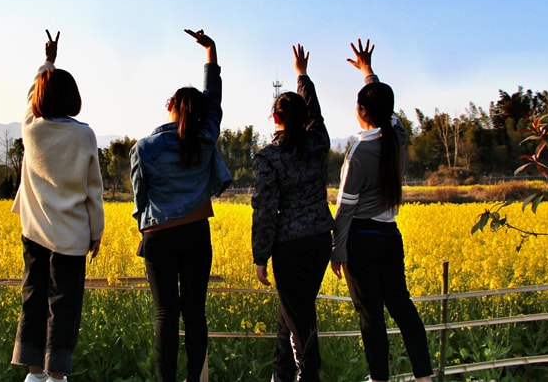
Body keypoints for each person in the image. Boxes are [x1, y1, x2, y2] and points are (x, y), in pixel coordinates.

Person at [130, 29, 232, 382]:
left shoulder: (145, 148)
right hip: (195, 233)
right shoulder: (206, 138)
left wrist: (145, 223)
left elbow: (139, 196)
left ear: (171, 106)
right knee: (195, 313)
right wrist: (210, 53)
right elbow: (213, 98)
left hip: (158, 236)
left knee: (165, 315)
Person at [330, 39, 433, 382]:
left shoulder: (359, 151)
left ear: (360, 111)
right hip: (390, 235)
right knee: (402, 307)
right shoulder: (398, 137)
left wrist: (337, 250)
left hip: (361, 239)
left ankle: (379, 379)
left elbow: (345, 209)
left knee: (371, 316)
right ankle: (423, 375)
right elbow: (386, 110)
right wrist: (367, 73)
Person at [11, 30, 105, 382]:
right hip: (71, 236)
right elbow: (92, 190)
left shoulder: (31, 129)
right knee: (63, 306)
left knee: (33, 298)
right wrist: (96, 233)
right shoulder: (84, 135)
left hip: (34, 231)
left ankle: (34, 374)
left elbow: (30, 95)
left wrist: (47, 62)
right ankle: (57, 377)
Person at [251, 44, 334, 382]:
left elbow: (265, 209)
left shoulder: (269, 157)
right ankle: (282, 374)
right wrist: (302, 75)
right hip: (319, 242)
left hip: (289, 247)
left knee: (300, 319)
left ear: (275, 118)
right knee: (291, 313)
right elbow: (315, 113)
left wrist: (260, 255)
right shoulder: (319, 143)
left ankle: (308, 375)